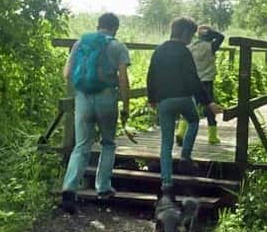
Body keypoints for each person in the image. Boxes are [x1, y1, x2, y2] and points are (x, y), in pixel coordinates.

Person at [61, 12, 131, 214]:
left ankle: (69, 188)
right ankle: (103, 188)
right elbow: (123, 80)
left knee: (81, 145)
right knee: (108, 143)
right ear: (115, 28)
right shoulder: (118, 46)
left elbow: (67, 74)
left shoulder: (80, 43)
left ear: (98, 25)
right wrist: (125, 106)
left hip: (82, 98)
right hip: (107, 98)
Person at [146, 16, 222, 199]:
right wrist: (207, 102)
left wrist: (152, 98)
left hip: (164, 100)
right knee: (194, 121)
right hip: (183, 98)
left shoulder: (159, 50)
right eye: (191, 35)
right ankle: (185, 156)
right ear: (185, 33)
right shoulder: (184, 52)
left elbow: (151, 75)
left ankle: (166, 182)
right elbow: (193, 79)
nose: (191, 39)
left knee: (166, 142)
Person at [176, 25, 225, 145]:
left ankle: (181, 132)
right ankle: (212, 137)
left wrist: (200, 31)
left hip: (191, 81)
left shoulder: (190, 47)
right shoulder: (211, 46)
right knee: (209, 109)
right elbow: (221, 36)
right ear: (210, 36)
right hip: (206, 81)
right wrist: (210, 30)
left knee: (189, 107)